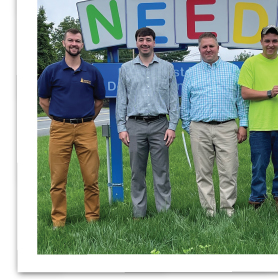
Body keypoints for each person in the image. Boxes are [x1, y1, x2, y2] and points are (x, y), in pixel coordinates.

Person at [38, 28, 105, 229]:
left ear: (82, 45)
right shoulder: (51, 71)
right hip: (60, 129)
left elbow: (99, 101)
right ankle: (58, 221)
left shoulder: (92, 72)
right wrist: (59, 119)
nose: (74, 44)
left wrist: (85, 119)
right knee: (57, 180)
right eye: (70, 40)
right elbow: (43, 100)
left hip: (86, 128)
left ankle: (93, 218)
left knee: (91, 178)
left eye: (77, 41)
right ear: (64, 43)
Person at [181, 32, 249, 217]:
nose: (208, 49)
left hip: (226, 127)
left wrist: (243, 124)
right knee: (203, 173)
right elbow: (185, 105)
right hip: (199, 128)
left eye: (211, 46)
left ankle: (228, 210)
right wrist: (190, 128)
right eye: (204, 46)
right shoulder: (191, 73)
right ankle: (208, 211)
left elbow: (241, 101)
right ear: (199, 49)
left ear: (218, 48)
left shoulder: (233, 70)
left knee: (228, 171)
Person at [116, 27, 179, 218]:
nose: (145, 43)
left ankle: (164, 213)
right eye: (141, 39)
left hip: (160, 125)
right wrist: (121, 127)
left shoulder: (167, 67)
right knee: (137, 173)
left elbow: (173, 100)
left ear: (154, 42)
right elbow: (122, 100)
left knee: (162, 173)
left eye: (148, 40)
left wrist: (172, 126)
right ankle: (138, 214)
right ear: (136, 43)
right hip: (134, 126)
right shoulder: (125, 69)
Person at [238, 25, 278, 215]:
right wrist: (269, 93)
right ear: (261, 42)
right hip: (260, 126)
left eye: (274, 40)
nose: (270, 44)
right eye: (267, 40)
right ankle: (257, 202)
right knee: (259, 167)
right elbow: (245, 93)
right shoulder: (250, 63)